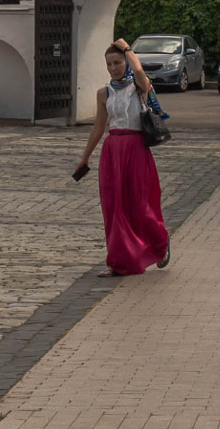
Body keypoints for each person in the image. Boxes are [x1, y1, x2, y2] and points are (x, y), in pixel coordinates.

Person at [74, 37, 170, 275]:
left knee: (140, 205)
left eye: (117, 62)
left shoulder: (138, 86)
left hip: (136, 148)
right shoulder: (103, 93)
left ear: (125, 62)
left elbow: (138, 69)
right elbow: (98, 127)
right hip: (113, 151)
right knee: (114, 207)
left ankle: (160, 242)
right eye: (109, 64)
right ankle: (119, 261)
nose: (113, 68)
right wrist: (85, 157)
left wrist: (127, 48)